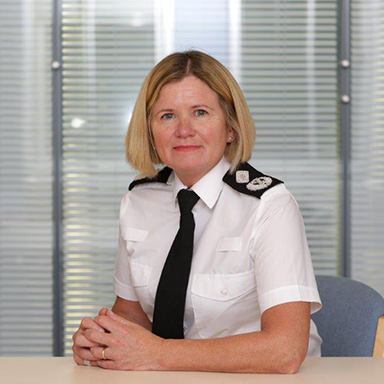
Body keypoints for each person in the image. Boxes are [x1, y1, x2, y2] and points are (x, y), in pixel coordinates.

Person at [72, 50, 322, 374]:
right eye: (167, 116)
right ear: (150, 131)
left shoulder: (269, 207)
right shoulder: (138, 203)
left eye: (200, 112)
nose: (184, 130)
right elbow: (132, 317)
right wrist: (101, 339)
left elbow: (285, 350)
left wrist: (159, 354)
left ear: (230, 127)